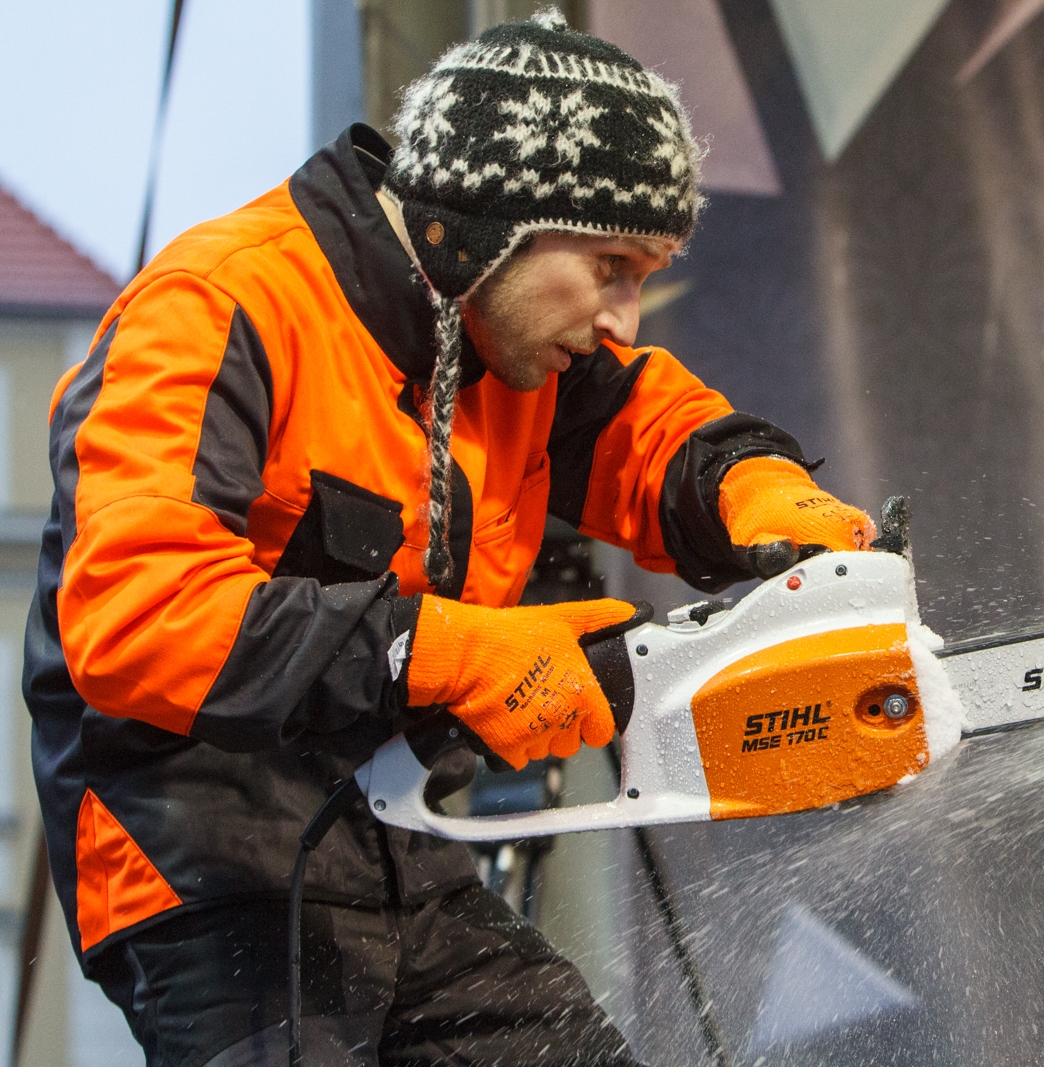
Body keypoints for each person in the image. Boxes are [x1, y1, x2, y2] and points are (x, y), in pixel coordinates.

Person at [24, 13, 875, 1065]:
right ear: (487, 221)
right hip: (204, 856)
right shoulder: (220, 306)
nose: (626, 318)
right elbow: (132, 617)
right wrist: (451, 652)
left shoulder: (500, 333)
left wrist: (758, 490)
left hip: (401, 841)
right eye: (612, 264)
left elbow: (650, 427)